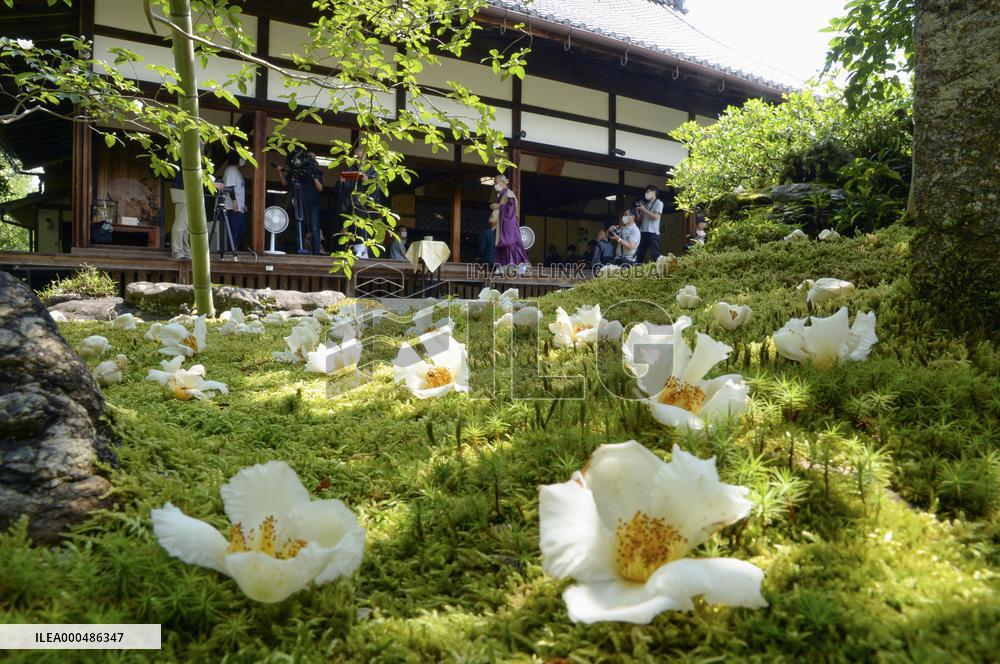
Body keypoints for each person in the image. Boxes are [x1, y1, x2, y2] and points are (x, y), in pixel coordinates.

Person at [277, 150, 324, 255]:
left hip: (313, 204)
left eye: (314, 158)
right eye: (310, 157)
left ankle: (316, 254)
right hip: (299, 204)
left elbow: (320, 188)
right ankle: (301, 251)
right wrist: (279, 172)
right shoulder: (296, 172)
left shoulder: (317, 172)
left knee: (315, 229)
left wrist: (313, 176)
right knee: (299, 228)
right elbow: (285, 183)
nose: (312, 160)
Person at [490, 173, 529, 269]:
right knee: (501, 244)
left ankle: (517, 264)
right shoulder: (501, 195)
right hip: (502, 224)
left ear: (503, 183)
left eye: (497, 182)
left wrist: (498, 206)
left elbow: (511, 208)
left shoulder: (509, 193)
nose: (495, 185)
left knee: (510, 243)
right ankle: (503, 266)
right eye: (494, 183)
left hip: (509, 225)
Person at [222, 155, 246, 251]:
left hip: (239, 207)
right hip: (232, 207)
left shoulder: (237, 172)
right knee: (234, 231)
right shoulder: (231, 170)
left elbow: (239, 190)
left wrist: (243, 205)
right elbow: (230, 187)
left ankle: (233, 249)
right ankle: (230, 251)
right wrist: (234, 202)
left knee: (239, 230)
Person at [634, 184, 664, 263]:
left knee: (655, 253)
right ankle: (637, 269)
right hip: (643, 231)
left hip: (653, 232)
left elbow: (655, 217)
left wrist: (644, 210)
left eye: (648, 192)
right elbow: (639, 219)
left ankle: (660, 270)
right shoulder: (646, 204)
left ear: (654, 192)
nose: (646, 194)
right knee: (640, 253)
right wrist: (637, 210)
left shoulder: (659, 203)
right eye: (646, 192)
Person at [169, 167, 189, 259]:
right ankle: (177, 251)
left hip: (183, 190)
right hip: (182, 191)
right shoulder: (188, 156)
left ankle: (185, 251)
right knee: (181, 224)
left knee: (185, 225)